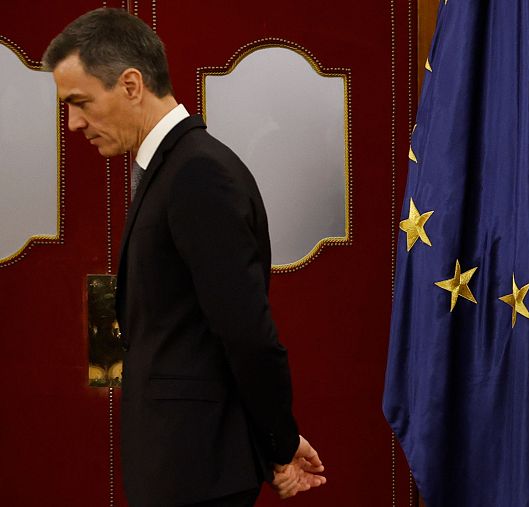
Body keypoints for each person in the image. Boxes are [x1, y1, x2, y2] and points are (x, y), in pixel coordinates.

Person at [43, 8, 325, 506]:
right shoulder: (173, 169)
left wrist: (279, 442)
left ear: (131, 84)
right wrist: (277, 440)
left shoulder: (198, 175)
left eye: (81, 102)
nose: (74, 124)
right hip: (181, 467)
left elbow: (246, 333)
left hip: (194, 474)